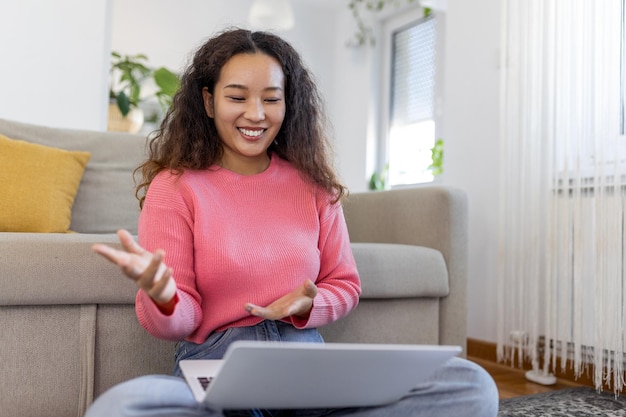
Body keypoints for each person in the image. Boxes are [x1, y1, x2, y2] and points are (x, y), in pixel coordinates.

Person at [85, 28, 498, 417]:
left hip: (307, 371)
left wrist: (310, 303)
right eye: (237, 97)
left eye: (271, 98)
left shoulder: (314, 185)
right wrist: (163, 294)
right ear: (209, 102)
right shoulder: (176, 187)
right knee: (125, 406)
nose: (256, 114)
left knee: (471, 385)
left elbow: (346, 283)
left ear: (288, 102)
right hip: (218, 372)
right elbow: (181, 320)